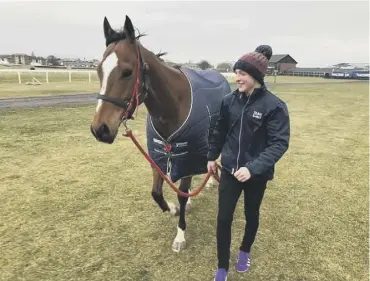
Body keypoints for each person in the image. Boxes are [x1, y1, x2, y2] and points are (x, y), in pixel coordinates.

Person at [207, 45, 290, 281]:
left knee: (251, 214)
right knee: (223, 218)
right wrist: (212, 157)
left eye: (242, 73)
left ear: (255, 76)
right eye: (236, 72)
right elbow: (219, 131)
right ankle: (223, 266)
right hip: (230, 171)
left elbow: (279, 143)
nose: (237, 78)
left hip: (257, 175)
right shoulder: (228, 101)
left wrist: (252, 168)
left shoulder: (275, 106)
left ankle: (244, 251)